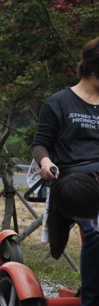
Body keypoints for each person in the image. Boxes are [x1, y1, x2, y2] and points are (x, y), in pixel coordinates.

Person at [31, 37, 99, 305]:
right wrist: (45, 163)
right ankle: (91, 300)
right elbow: (40, 144)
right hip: (74, 180)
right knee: (95, 231)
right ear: (94, 67)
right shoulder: (58, 102)